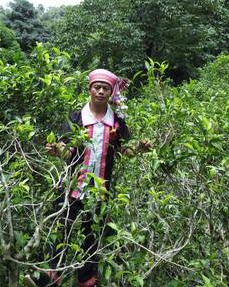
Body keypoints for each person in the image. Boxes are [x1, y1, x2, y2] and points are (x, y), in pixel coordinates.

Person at [24, 69, 148, 287]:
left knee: (92, 236)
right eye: (97, 87)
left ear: (111, 93)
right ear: (90, 89)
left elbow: (122, 152)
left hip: (100, 190)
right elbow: (70, 152)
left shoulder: (117, 122)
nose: (100, 91)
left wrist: (139, 148)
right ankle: (49, 277)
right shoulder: (76, 117)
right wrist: (57, 150)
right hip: (73, 186)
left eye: (105, 88)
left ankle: (86, 280)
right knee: (61, 227)